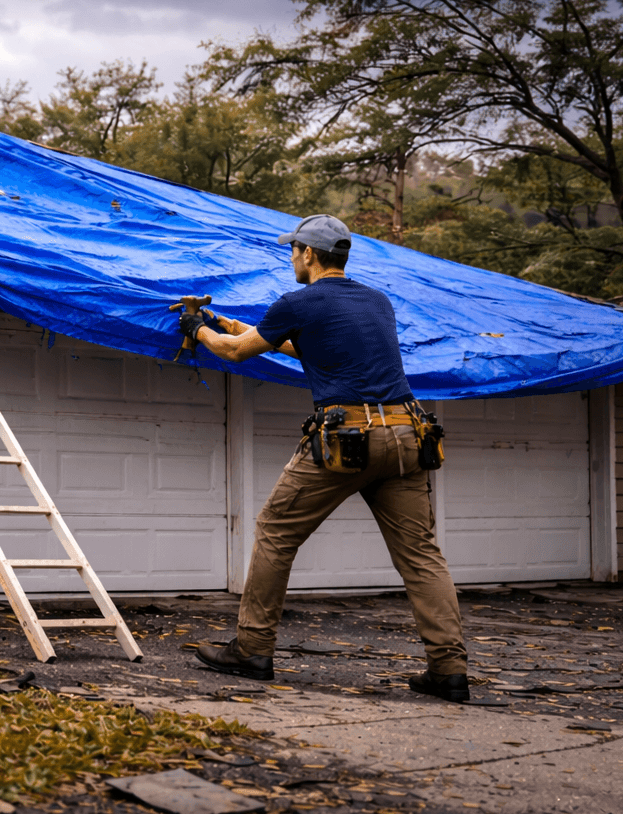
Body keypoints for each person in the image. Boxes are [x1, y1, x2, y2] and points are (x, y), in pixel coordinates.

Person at [179, 214, 470, 703]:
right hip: (405, 434)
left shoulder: (299, 300)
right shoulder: (377, 302)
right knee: (421, 555)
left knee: (276, 529)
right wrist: (233, 324)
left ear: (308, 255)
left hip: (348, 438)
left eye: (293, 250)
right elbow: (321, 350)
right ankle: (449, 671)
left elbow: (233, 354)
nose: (291, 258)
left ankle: (252, 649)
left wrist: (199, 329)